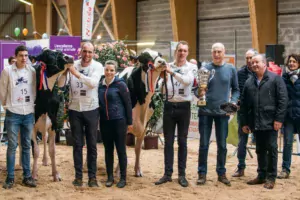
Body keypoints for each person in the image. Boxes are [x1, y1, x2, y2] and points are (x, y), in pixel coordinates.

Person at [240, 54, 287, 189]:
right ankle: (261, 175)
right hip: (256, 122)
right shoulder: (249, 82)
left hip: (271, 122)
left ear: (264, 64)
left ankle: (271, 177)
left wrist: (278, 119)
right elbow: (244, 104)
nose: (254, 64)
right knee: (260, 149)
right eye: (252, 62)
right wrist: (244, 122)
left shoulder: (275, 79)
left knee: (272, 149)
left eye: (257, 62)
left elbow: (283, 100)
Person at [197, 43, 239, 186]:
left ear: (224, 52)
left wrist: (232, 104)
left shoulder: (231, 69)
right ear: (211, 53)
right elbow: (197, 89)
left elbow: (236, 89)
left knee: (222, 145)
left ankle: (221, 173)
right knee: (203, 144)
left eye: (219, 51)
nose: (216, 54)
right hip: (205, 111)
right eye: (214, 51)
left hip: (222, 113)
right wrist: (200, 92)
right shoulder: (204, 69)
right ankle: (201, 173)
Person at [155, 41, 196, 187]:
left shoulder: (191, 67)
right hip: (169, 106)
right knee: (168, 142)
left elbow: (187, 81)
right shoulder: (168, 66)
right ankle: (167, 174)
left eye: (185, 50)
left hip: (184, 106)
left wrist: (171, 73)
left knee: (183, 142)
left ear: (187, 52)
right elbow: (160, 88)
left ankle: (182, 175)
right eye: (180, 50)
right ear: (176, 51)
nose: (182, 53)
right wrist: (163, 79)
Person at [66, 42, 103, 187]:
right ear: (80, 51)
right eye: (85, 51)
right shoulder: (72, 64)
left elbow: (93, 83)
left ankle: (92, 177)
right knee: (77, 144)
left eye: (90, 52)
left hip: (91, 109)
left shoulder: (98, 66)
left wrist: (76, 74)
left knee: (92, 144)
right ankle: (78, 177)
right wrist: (65, 72)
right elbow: (64, 84)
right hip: (75, 109)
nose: (87, 55)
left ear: (93, 53)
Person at [0, 45, 36, 189]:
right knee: (12, 146)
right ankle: (10, 178)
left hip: (28, 113)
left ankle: (27, 177)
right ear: (15, 56)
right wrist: (7, 106)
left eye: (26, 55)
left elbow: (34, 91)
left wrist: (32, 107)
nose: (24, 58)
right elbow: (3, 91)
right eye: (21, 55)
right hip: (13, 113)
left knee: (27, 145)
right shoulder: (7, 71)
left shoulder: (32, 71)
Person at [98, 60, 133, 188]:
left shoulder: (121, 85)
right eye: (107, 70)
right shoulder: (100, 85)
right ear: (104, 71)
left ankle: (123, 178)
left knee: (121, 150)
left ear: (115, 71)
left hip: (119, 121)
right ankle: (110, 177)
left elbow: (128, 103)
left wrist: (129, 122)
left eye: (111, 70)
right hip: (105, 122)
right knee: (108, 150)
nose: (109, 72)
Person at [232, 49, 257, 177]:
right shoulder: (240, 72)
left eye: (251, 58)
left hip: (259, 112)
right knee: (242, 140)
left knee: (262, 141)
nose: (249, 60)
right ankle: (241, 167)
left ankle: (263, 169)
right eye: (247, 58)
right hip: (243, 112)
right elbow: (237, 90)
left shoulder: (261, 72)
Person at [278, 54, 300, 179]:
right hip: (288, 116)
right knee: (287, 143)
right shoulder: (283, 77)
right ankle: (285, 169)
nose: (291, 63)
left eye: (294, 61)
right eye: (290, 61)